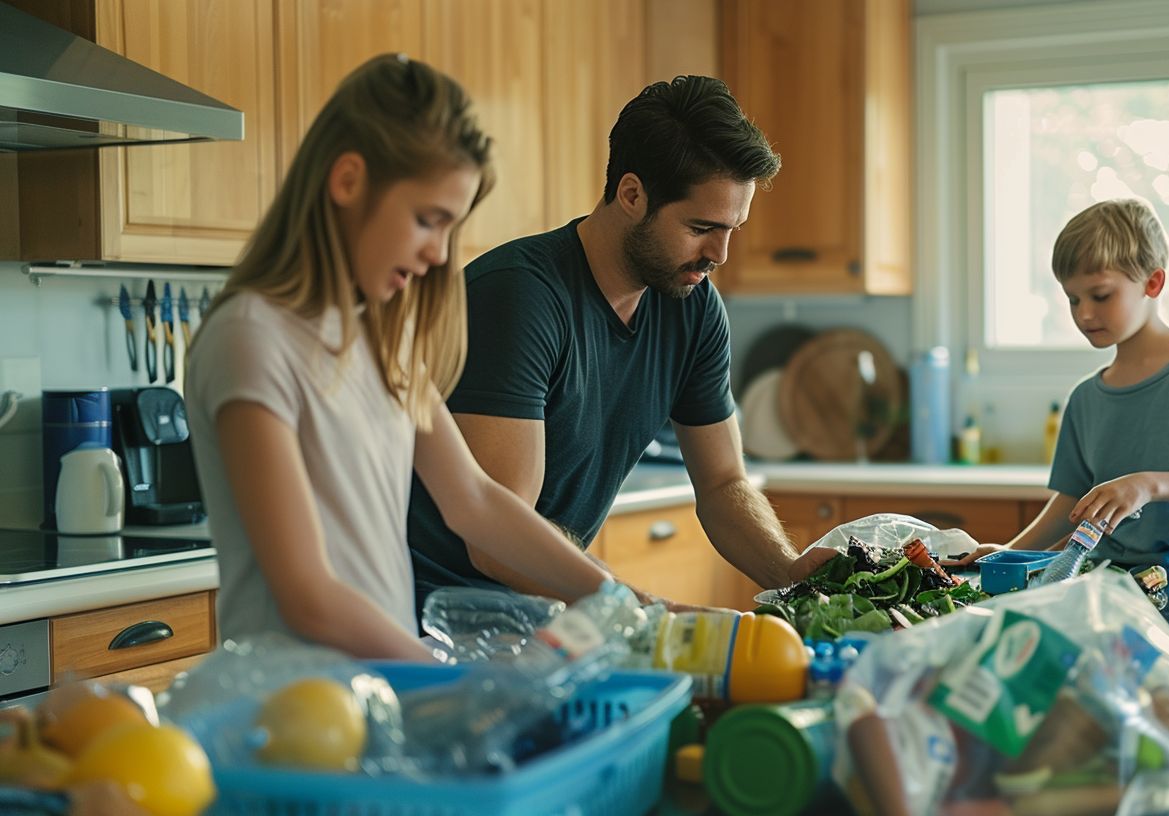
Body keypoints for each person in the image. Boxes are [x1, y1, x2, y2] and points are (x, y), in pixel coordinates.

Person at [185, 54, 619, 662]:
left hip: (376, 695)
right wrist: (448, 683)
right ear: (348, 180)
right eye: (427, 220)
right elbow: (307, 595)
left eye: (450, 227)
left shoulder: (379, 339)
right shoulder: (252, 339)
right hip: (291, 716)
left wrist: (620, 597)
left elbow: (474, 501)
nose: (438, 254)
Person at [407, 75, 834, 609]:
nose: (721, 254)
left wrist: (793, 577)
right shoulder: (518, 298)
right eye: (702, 226)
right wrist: (649, 616)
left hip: (548, 611)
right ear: (632, 194)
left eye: (733, 229)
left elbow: (724, 484)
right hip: (441, 614)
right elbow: (497, 543)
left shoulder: (693, 306)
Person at [957, 198, 1169, 573]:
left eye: (1101, 295)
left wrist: (1147, 485)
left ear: (1153, 283)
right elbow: (1072, 502)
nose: (1084, 313)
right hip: (1108, 583)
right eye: (1073, 299)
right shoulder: (1085, 399)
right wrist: (1007, 551)